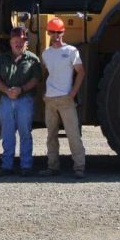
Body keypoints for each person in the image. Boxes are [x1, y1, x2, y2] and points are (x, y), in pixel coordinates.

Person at [0, 26, 42, 176]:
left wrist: (22, 90)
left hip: (25, 99)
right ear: (11, 42)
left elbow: (36, 78)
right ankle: (7, 165)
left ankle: (26, 166)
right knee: (7, 133)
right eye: (15, 41)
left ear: (26, 43)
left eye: (22, 41)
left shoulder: (33, 59)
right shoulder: (2, 59)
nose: (18, 43)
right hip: (6, 100)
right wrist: (6, 90)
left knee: (25, 132)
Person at [39, 17, 86, 179]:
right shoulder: (46, 53)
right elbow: (45, 74)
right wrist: (45, 93)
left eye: (59, 32)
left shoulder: (71, 51)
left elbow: (81, 72)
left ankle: (79, 167)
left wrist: (73, 93)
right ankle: (53, 167)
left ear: (63, 32)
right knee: (51, 135)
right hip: (50, 100)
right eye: (53, 32)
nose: (56, 35)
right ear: (49, 33)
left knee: (73, 134)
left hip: (66, 99)